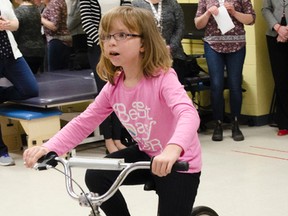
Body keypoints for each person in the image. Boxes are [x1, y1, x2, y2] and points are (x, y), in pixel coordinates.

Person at [23, 6, 202, 216]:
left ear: (143, 43)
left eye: (122, 35)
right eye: (106, 36)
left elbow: (188, 114)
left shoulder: (162, 78)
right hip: (147, 155)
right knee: (97, 175)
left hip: (179, 162)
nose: (111, 42)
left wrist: (173, 149)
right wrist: (49, 147)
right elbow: (85, 121)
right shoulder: (114, 86)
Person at [194, 0, 256, 142]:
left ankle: (235, 123)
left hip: (237, 45)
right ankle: (218, 124)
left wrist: (234, 12)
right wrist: (208, 12)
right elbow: (198, 24)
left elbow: (251, 19)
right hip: (213, 45)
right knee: (216, 85)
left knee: (235, 85)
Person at [79, 0, 131, 153]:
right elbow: (87, 22)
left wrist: (120, 40)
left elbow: (129, 15)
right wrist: (105, 44)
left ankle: (117, 138)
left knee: (118, 92)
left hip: (120, 45)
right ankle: (108, 140)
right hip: (97, 48)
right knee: (105, 94)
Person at [0, 0, 39, 166]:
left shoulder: (4, 2)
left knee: (30, 89)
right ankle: (2, 151)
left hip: (11, 54)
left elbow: (16, 24)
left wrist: (9, 24)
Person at [132, 0, 189, 84]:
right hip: (147, 56)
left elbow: (180, 28)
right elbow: (134, 30)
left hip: (173, 56)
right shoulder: (136, 4)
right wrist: (151, 49)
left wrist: (170, 48)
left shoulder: (172, 3)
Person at [262, 0, 288, 136]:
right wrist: (278, 28)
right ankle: (283, 122)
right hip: (274, 35)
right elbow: (265, 9)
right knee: (280, 79)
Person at [13, 0, 45, 74]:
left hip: (24, 51)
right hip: (39, 49)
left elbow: (15, 33)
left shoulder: (18, 12)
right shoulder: (36, 10)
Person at [41, 0, 72, 71]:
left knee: (54, 73)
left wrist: (40, 18)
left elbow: (54, 26)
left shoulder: (55, 3)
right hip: (59, 41)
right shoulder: (57, 2)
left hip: (57, 40)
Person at [65, 0, 89, 70]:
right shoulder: (72, 2)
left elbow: (77, 16)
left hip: (80, 32)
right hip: (74, 32)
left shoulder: (80, 2)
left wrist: (68, 26)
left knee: (81, 53)